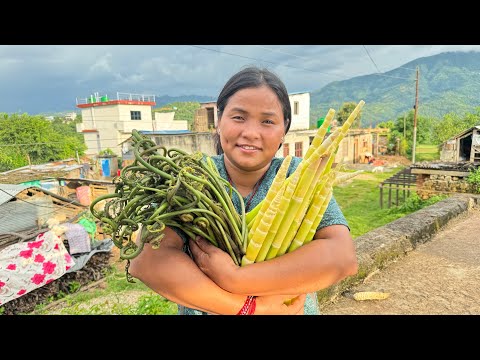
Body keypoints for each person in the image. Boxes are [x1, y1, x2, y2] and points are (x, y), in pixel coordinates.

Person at [129, 66, 358, 315]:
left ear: (284, 130)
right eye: (238, 117)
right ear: (219, 122)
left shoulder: (302, 176)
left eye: (268, 121)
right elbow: (148, 261)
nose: (250, 133)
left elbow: (341, 258)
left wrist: (236, 278)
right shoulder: (189, 177)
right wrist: (250, 308)